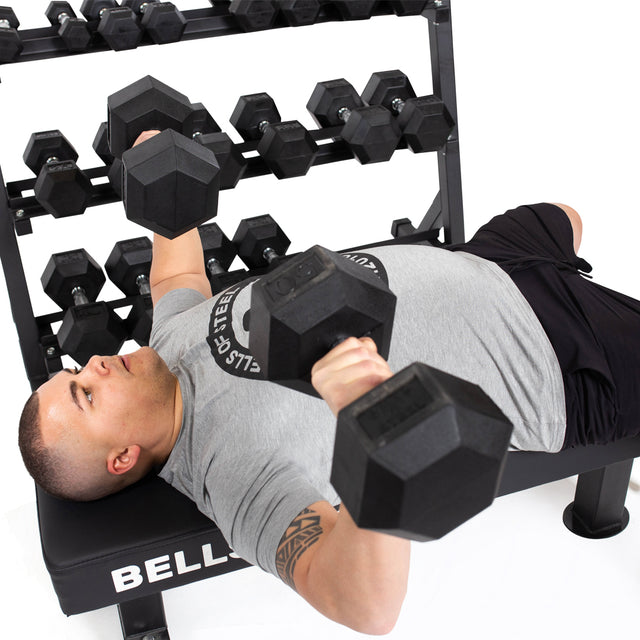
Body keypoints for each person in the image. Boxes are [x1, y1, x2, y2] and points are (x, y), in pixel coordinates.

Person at [18, 134, 640, 634]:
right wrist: (378, 428)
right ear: (123, 456)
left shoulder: (169, 340)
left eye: (75, 372)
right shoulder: (231, 473)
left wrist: (156, 158)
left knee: (567, 216)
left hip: (487, 262)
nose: (94, 364)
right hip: (558, 362)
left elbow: (174, 267)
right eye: (85, 394)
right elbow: (364, 607)